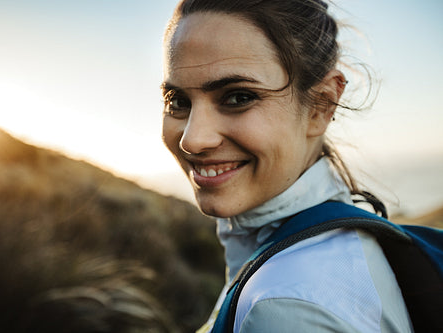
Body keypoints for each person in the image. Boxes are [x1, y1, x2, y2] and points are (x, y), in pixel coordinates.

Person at [161, 0, 413, 332]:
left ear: (321, 105)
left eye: (238, 97)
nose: (192, 140)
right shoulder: (331, 246)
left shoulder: (285, 307)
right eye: (178, 101)